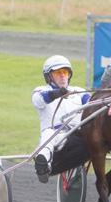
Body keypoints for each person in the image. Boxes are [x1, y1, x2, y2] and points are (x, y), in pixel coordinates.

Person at [32, 55, 91, 183]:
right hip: (56, 137)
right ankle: (43, 164)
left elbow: (93, 102)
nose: (63, 76)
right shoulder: (41, 90)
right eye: (58, 73)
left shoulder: (79, 92)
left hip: (77, 134)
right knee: (48, 133)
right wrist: (57, 93)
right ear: (49, 77)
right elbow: (39, 100)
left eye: (65, 72)